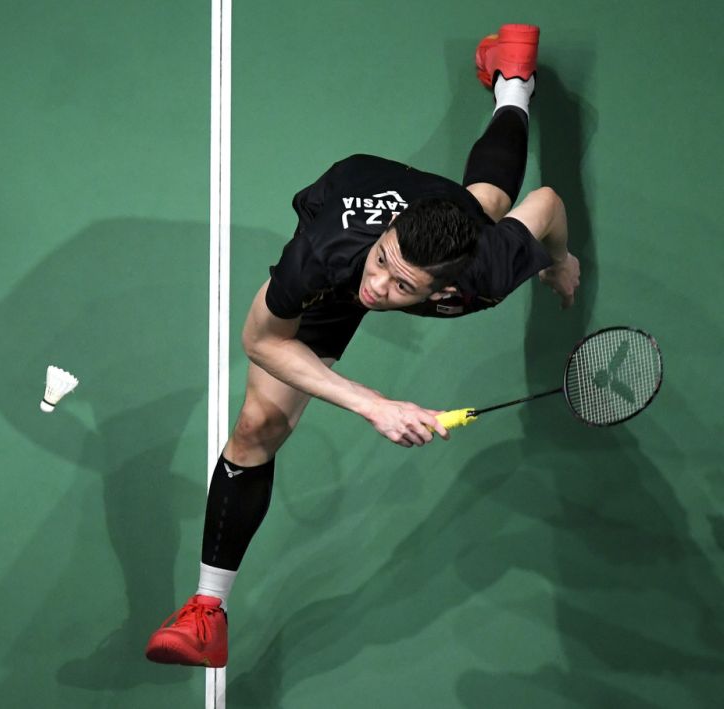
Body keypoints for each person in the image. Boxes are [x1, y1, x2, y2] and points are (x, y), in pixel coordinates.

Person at [145, 23, 581, 668]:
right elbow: (260, 340)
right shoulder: (330, 254)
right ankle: (208, 611)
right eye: (383, 262)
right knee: (257, 424)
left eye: (400, 284)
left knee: (487, 200)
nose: (376, 287)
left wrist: (559, 257)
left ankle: (514, 86)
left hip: (441, 212)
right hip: (354, 196)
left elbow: (543, 203)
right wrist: (373, 403)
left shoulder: (481, 273)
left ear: (444, 291)